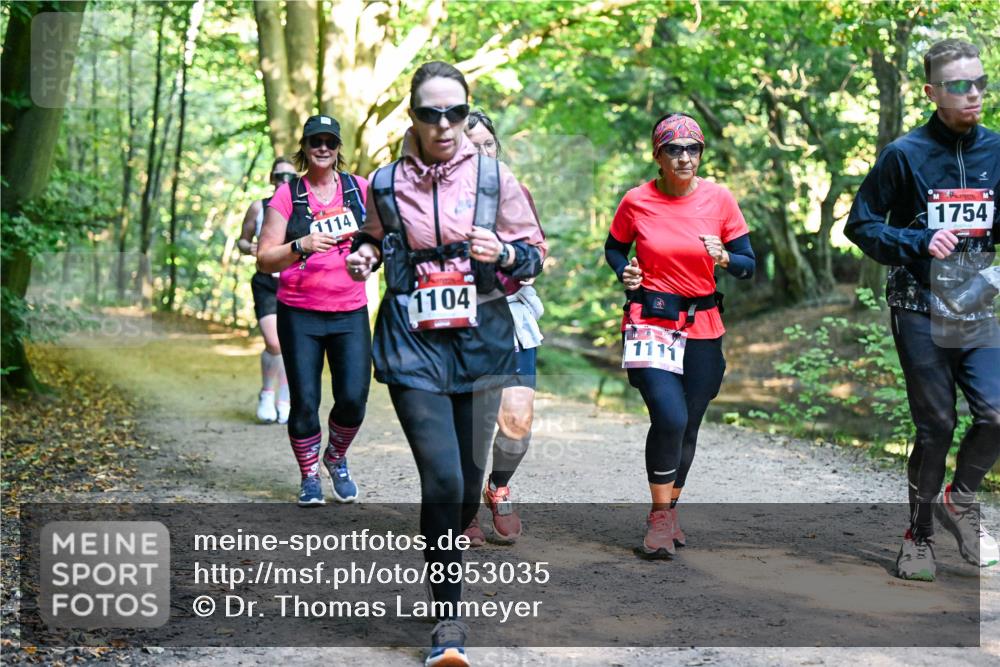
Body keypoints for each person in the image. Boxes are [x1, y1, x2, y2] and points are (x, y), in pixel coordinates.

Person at [345, 62, 546, 667]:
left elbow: (535, 254)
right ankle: (447, 623)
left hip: (481, 340)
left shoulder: (495, 177)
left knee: (464, 486)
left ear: (466, 112)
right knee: (442, 478)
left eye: (455, 112)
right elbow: (373, 237)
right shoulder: (383, 182)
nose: (444, 124)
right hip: (412, 340)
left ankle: (454, 536)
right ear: (413, 116)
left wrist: (506, 250)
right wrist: (365, 256)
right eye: (431, 112)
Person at [845, 38, 1000, 581]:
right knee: (936, 424)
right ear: (932, 92)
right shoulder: (903, 154)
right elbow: (860, 225)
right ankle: (919, 536)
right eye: (959, 86)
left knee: (997, 414)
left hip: (978, 301)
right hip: (918, 305)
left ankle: (959, 499)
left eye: (980, 82)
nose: (974, 94)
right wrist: (917, 242)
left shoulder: (997, 151)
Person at [605, 112, 755, 559]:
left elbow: (748, 263)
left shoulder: (720, 199)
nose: (685, 157)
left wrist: (726, 258)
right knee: (669, 417)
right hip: (650, 320)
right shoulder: (637, 201)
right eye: (675, 149)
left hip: (704, 326)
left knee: (689, 423)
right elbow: (614, 247)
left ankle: (670, 510)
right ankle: (658, 517)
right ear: (659, 155)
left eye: (693, 149)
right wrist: (624, 271)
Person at [257, 115, 371, 508]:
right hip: (300, 313)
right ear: (304, 148)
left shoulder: (360, 189)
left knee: (354, 397)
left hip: (349, 311)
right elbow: (264, 259)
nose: (323, 148)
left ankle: (335, 458)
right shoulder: (287, 195)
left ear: (339, 148)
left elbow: (382, 239)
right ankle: (308, 476)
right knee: (305, 400)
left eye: (330, 142)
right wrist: (300, 244)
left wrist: (370, 260)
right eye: (315, 141)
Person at [461, 109, 545, 546]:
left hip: (511, 314)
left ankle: (498, 487)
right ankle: (463, 507)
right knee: (472, 421)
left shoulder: (516, 191)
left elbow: (537, 246)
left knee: (517, 419)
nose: (481, 153)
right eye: (470, 146)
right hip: (462, 317)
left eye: (488, 144)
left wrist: (522, 260)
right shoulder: (441, 197)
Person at [238, 157, 297, 424]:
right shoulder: (258, 207)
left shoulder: (303, 209)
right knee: (274, 342)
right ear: (271, 178)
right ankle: (266, 393)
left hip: (296, 281)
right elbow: (243, 240)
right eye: (280, 176)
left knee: (290, 345)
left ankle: (284, 398)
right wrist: (248, 248)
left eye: (291, 177)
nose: (285, 181)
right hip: (265, 281)